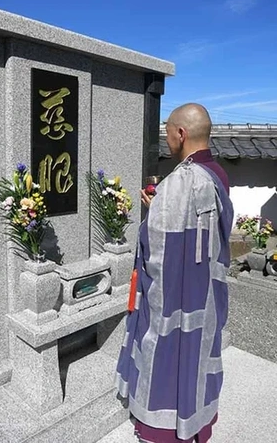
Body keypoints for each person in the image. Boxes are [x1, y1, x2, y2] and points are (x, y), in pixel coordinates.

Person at [115, 103, 234, 443]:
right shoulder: (217, 173)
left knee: (170, 352)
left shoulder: (180, 182)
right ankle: (198, 417)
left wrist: (154, 214)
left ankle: (162, 427)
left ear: (181, 134)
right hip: (207, 288)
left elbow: (160, 251)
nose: (166, 140)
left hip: (177, 296)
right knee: (199, 354)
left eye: (168, 132)